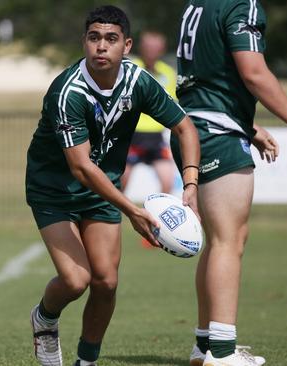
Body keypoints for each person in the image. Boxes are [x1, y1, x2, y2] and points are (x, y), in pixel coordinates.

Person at [25, 5, 200, 366]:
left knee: (105, 282)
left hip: (101, 189)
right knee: (76, 281)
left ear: (126, 45)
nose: (101, 46)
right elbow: (81, 167)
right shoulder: (67, 92)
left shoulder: (138, 82)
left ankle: (85, 362)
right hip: (54, 189)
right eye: (93, 38)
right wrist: (133, 210)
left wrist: (191, 182)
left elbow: (184, 127)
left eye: (110, 39)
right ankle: (44, 319)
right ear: (84, 42)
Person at [174, 1, 287, 365]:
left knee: (219, 241)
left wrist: (249, 126)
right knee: (230, 240)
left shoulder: (198, 3)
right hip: (216, 131)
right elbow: (254, 73)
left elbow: (208, 75)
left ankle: (206, 345)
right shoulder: (242, 4)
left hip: (194, 127)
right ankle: (223, 354)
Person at [121, 30, 178, 248]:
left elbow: (172, 103)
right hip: (132, 136)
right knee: (120, 185)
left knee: (167, 181)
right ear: (140, 47)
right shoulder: (129, 66)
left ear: (161, 50)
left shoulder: (167, 73)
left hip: (155, 138)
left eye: (156, 47)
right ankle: (108, 224)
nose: (152, 51)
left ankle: (155, 232)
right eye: (148, 46)